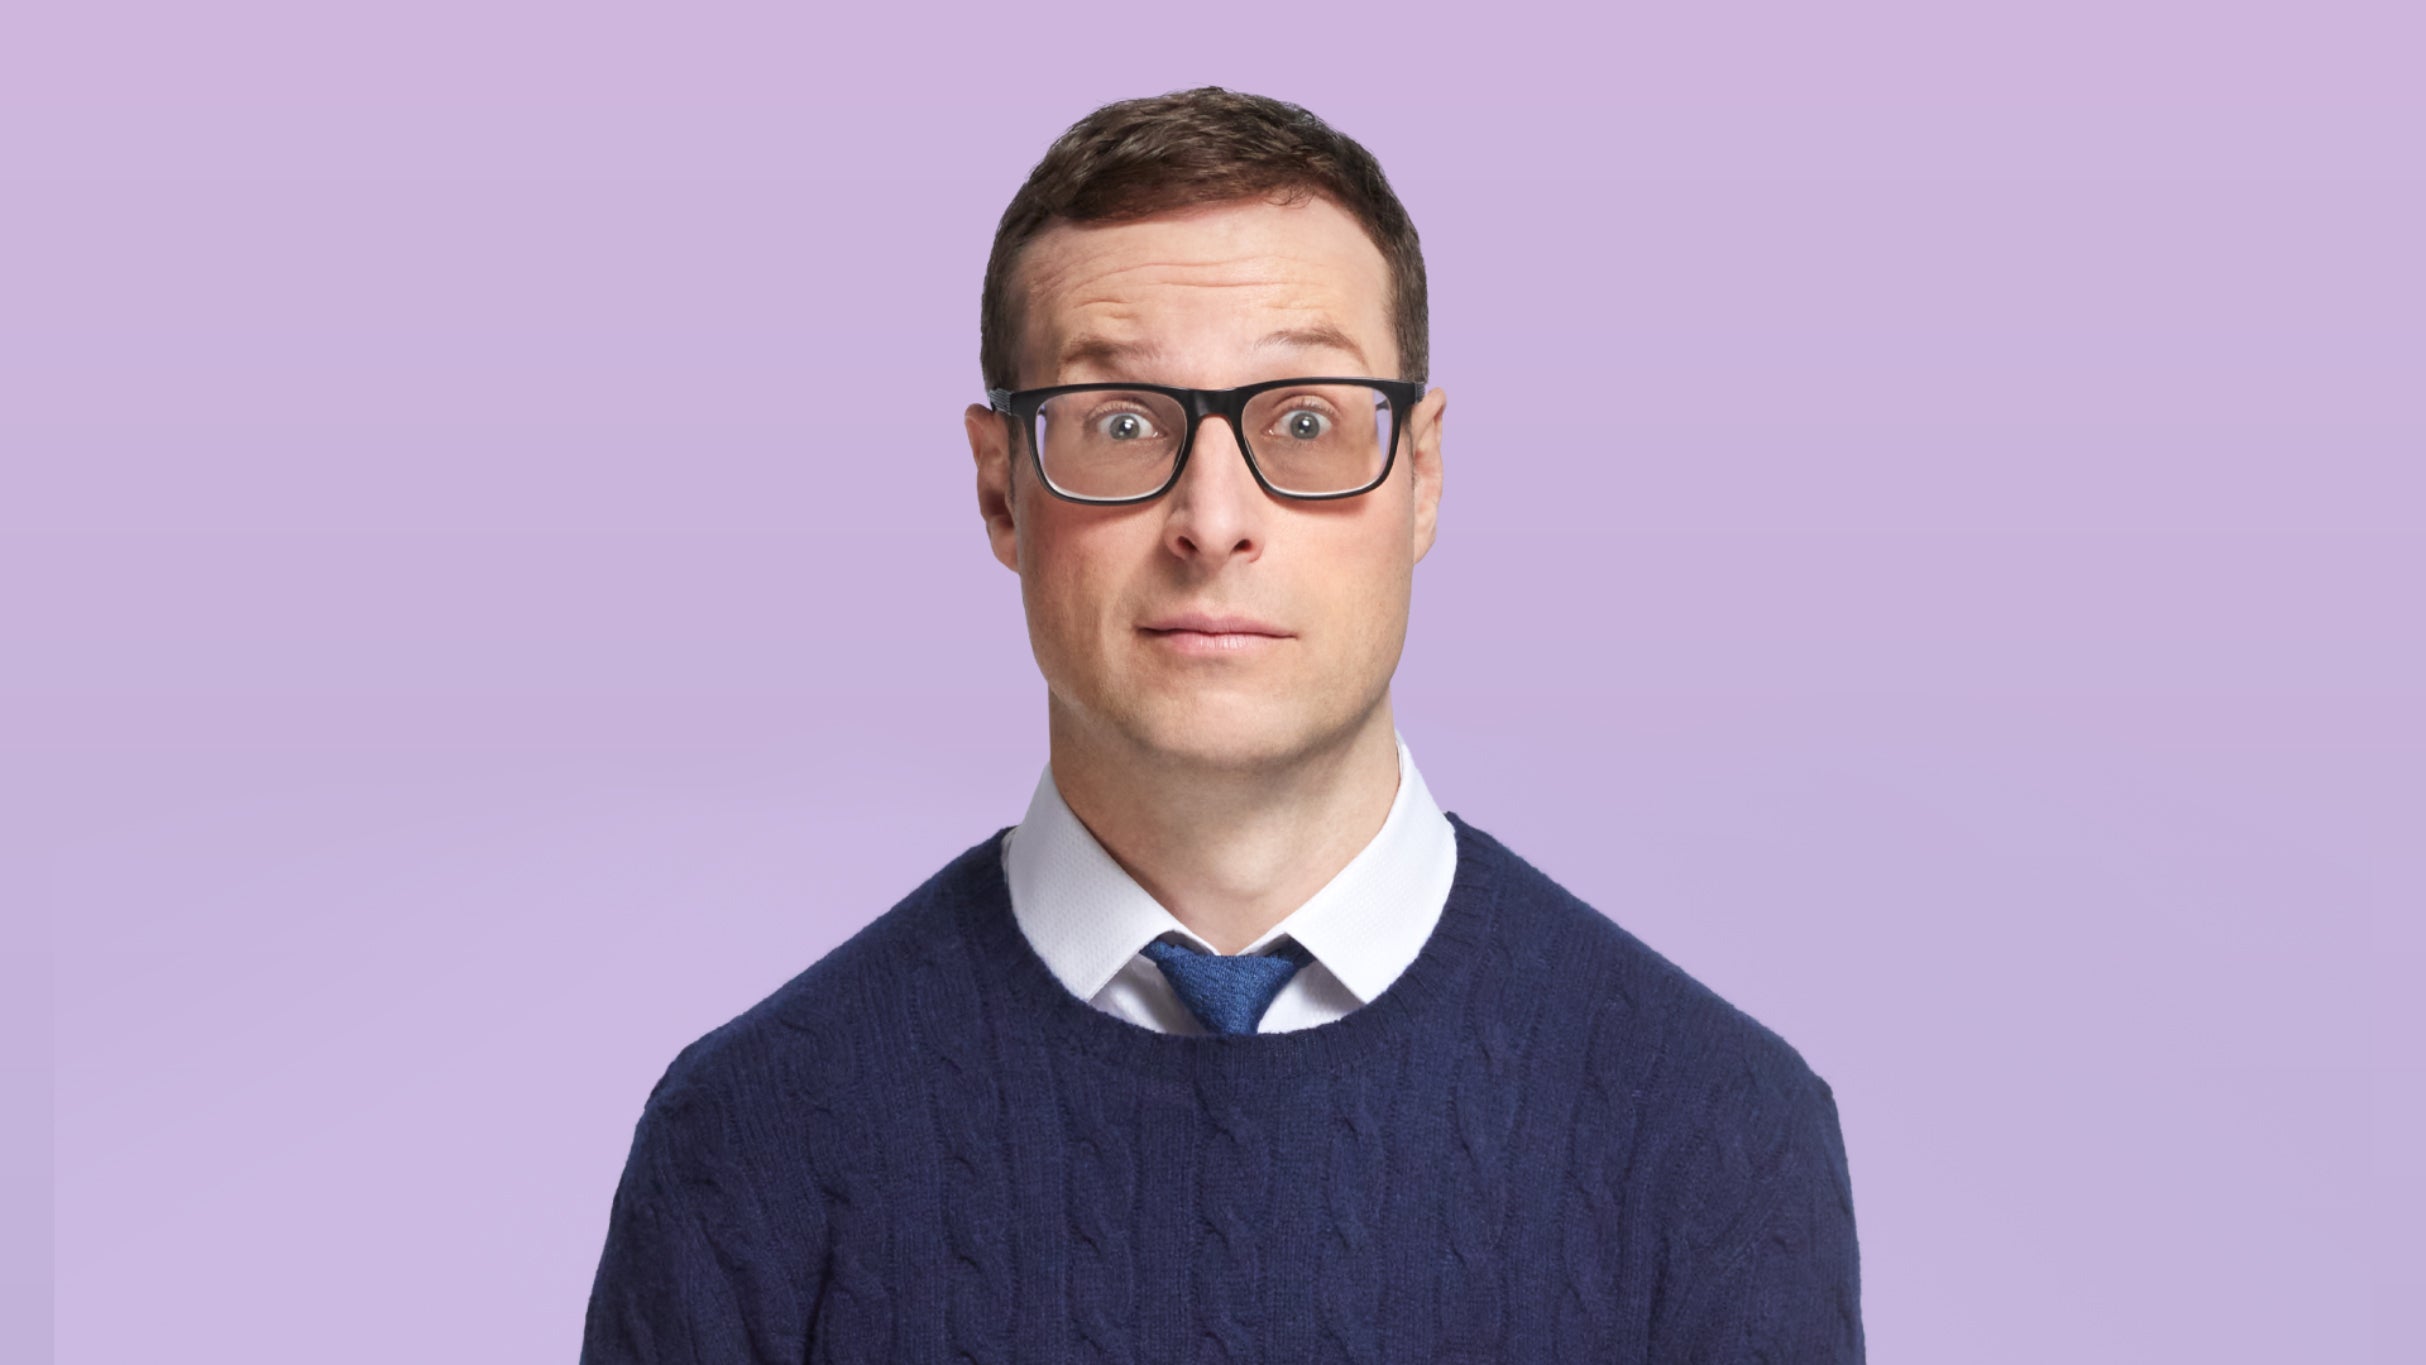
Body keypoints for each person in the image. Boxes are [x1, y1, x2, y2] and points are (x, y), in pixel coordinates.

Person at [580, 86, 1864, 1363]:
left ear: (1421, 474)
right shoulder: (745, 1142)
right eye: (1119, 423)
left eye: (1303, 422)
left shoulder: (1716, 1134)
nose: (1211, 520)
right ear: (999, 489)